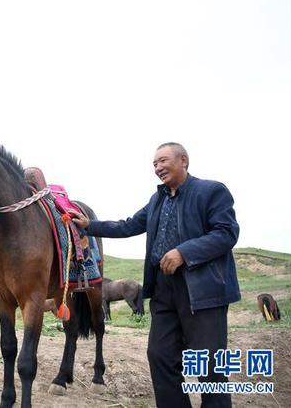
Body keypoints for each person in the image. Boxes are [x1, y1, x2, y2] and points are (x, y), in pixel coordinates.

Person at [72, 142, 240, 408]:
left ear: (184, 160)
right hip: (163, 290)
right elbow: (128, 225)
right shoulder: (157, 200)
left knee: (209, 363)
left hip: (202, 291)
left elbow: (226, 233)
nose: (158, 167)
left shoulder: (211, 191)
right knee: (160, 355)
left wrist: (184, 252)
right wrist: (89, 226)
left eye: (163, 160)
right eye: (154, 164)